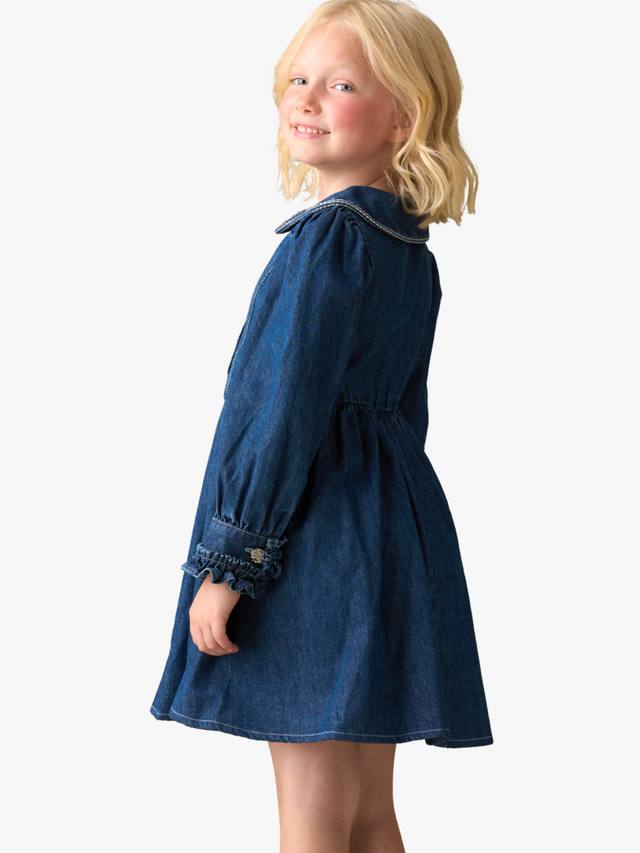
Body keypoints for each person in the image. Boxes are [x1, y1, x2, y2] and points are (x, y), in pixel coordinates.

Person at [150, 1, 493, 849]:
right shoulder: (406, 250)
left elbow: (278, 412)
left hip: (308, 548)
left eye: (340, 85)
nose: (306, 98)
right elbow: (406, 416)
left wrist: (232, 562)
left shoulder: (324, 245)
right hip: (389, 538)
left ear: (404, 117)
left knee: (311, 813)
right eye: (298, 79)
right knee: (368, 809)